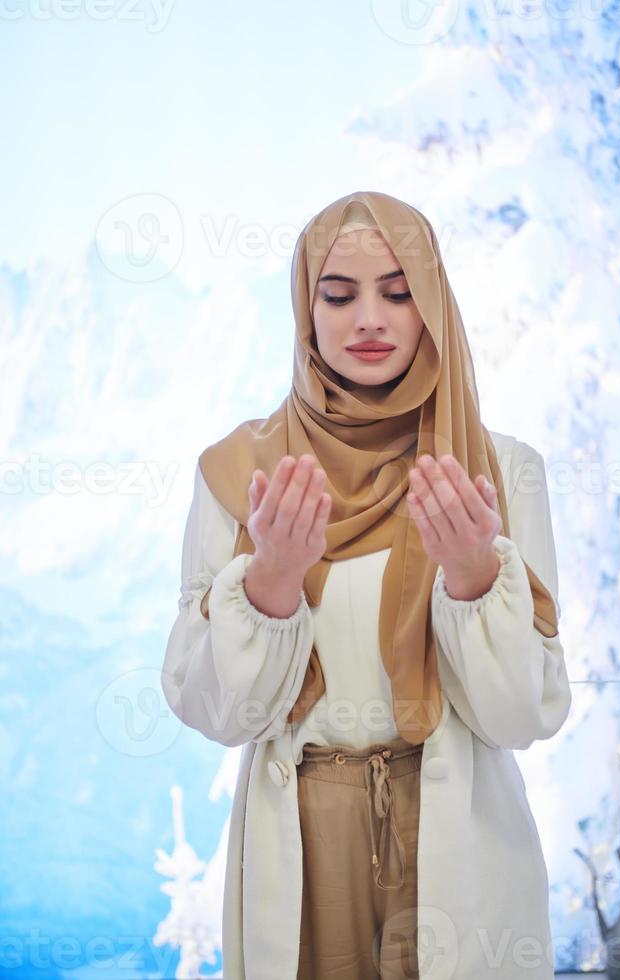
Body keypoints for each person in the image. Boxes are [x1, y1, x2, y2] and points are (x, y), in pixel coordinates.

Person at [161, 190, 572, 980]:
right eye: (339, 295)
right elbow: (216, 713)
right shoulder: (241, 477)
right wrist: (273, 579)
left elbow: (527, 714)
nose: (370, 319)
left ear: (432, 307)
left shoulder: (500, 473)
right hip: (305, 842)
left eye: (398, 290)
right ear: (304, 312)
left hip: (456, 831)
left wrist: (475, 578)